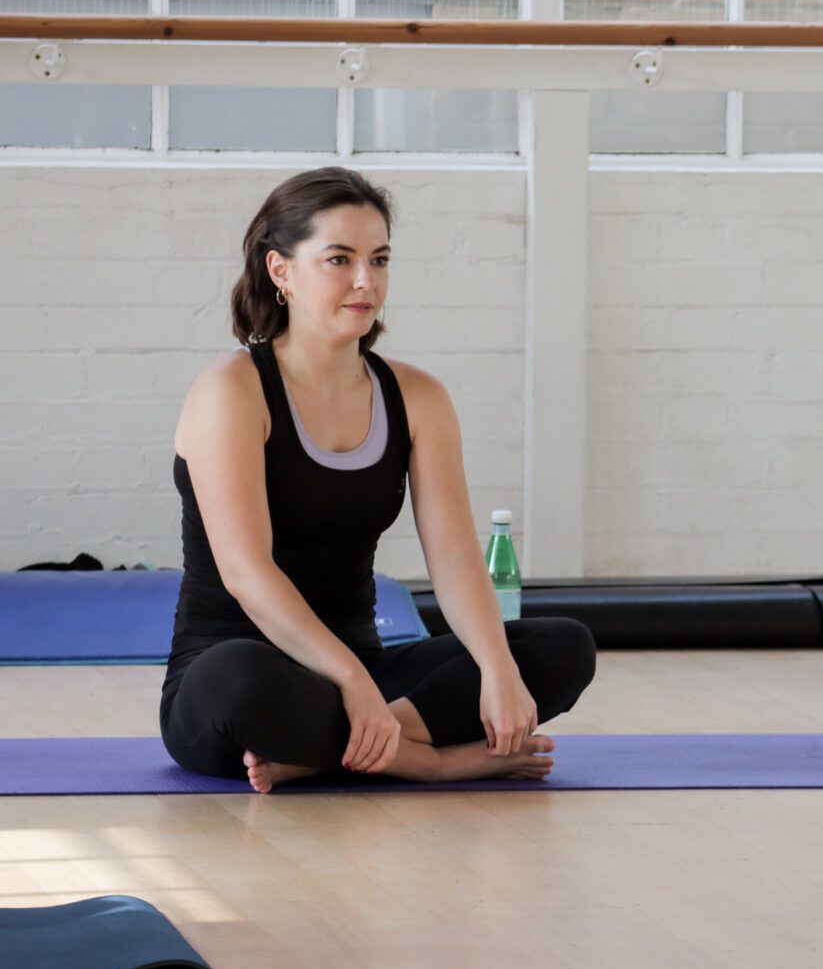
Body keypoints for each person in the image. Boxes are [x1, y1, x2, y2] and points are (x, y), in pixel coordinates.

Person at [159, 166, 596, 793]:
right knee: (240, 680)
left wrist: (497, 666)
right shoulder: (230, 391)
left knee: (563, 646)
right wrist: (354, 685)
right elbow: (246, 574)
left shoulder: (417, 397)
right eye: (339, 259)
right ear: (280, 269)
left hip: (367, 675)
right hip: (243, 677)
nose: (366, 281)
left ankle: (336, 750)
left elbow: (452, 556)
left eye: (379, 259)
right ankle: (425, 760)